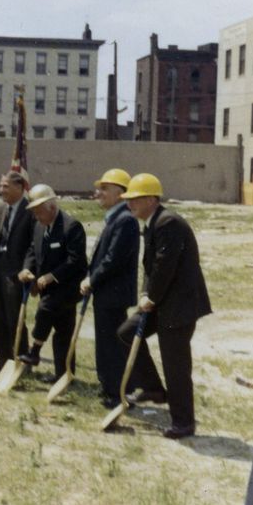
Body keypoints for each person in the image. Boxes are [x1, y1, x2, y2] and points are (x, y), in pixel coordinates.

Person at [116, 173, 212, 439]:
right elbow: (152, 267)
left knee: (176, 365)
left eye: (134, 199)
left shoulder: (167, 222)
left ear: (151, 199)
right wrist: (148, 293)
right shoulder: (153, 222)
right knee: (126, 332)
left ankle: (184, 423)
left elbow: (165, 266)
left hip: (178, 307)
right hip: (161, 302)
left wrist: (152, 297)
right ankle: (154, 389)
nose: (129, 204)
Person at [79, 168, 140, 408]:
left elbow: (113, 259)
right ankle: (111, 387)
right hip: (106, 292)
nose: (98, 193)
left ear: (120, 193)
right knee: (106, 342)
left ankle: (119, 392)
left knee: (112, 345)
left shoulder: (124, 220)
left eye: (104, 189)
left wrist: (92, 280)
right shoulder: (115, 219)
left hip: (113, 294)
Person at [18, 184, 87, 379]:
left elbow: (76, 261)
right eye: (34, 212)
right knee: (63, 332)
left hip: (67, 288)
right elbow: (33, 250)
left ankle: (34, 351)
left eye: (39, 211)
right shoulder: (40, 226)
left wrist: (52, 276)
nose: (36, 216)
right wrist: (26, 268)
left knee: (45, 309)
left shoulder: (71, 226)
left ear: (52, 207)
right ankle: (64, 375)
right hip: (47, 287)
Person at [0, 171, 34, 370]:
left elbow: (33, 246)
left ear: (20, 187)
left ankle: (21, 361)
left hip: (16, 274)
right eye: (1, 186)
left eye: (5, 186)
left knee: (15, 318)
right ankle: (2, 360)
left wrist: (27, 269)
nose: (1, 190)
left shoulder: (30, 212)